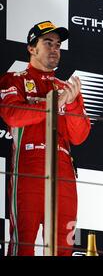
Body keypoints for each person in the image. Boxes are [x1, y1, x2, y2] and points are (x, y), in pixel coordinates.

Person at [0, 21, 91, 256]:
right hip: (29, 168)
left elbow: (79, 136)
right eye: (47, 43)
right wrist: (51, 105)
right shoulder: (14, 79)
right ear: (32, 48)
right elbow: (12, 116)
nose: (54, 49)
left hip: (64, 172)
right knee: (24, 244)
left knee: (64, 246)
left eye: (58, 45)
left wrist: (70, 105)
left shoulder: (67, 89)